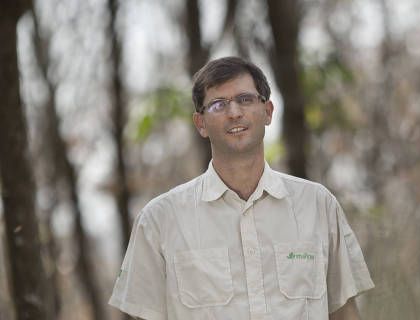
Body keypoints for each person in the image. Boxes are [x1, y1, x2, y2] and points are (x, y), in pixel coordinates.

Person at [109, 56, 374, 320]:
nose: (234, 112)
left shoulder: (318, 205)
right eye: (218, 105)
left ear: (268, 112)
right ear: (200, 124)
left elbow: (344, 312)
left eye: (245, 99)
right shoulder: (159, 220)